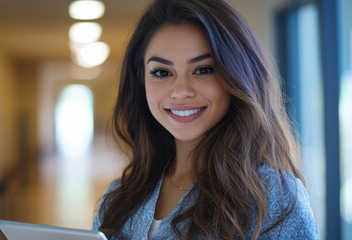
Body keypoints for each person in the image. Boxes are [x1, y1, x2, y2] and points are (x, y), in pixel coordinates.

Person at [92, 0, 319, 239]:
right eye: (162, 72)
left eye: (203, 70)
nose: (181, 91)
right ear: (141, 83)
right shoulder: (117, 198)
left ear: (237, 76)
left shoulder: (275, 199)